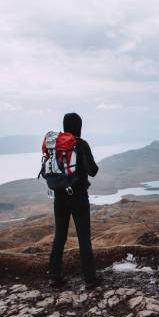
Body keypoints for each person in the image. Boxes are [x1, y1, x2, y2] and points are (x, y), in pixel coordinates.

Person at [48, 112, 101, 289]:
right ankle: (90, 279)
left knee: (59, 237)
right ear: (79, 126)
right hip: (79, 198)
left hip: (59, 198)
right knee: (84, 238)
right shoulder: (81, 144)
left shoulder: (56, 146)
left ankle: (54, 277)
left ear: (64, 126)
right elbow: (93, 170)